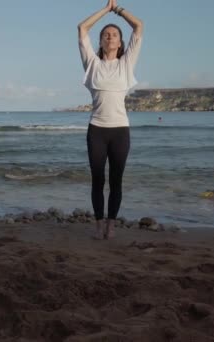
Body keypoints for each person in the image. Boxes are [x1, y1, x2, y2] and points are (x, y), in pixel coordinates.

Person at [78, 0, 143, 239]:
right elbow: (82, 28)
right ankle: (98, 223)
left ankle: (111, 224)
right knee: (97, 179)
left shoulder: (126, 64)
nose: (109, 37)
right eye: (105, 34)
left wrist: (117, 9)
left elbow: (138, 26)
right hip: (97, 130)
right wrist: (105, 10)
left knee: (116, 180)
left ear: (120, 41)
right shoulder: (92, 64)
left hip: (120, 132)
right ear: (101, 41)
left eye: (114, 34)